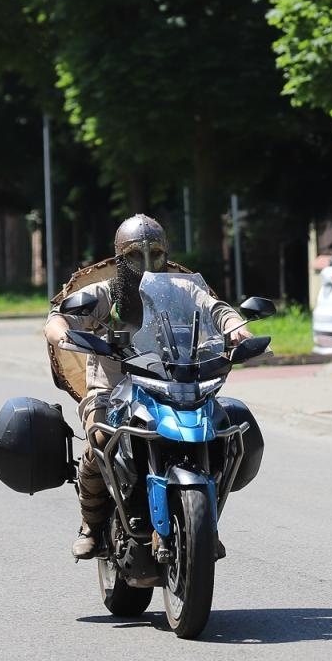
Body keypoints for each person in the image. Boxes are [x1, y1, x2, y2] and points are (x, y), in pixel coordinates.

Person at [43, 214, 254, 560]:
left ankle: (204, 525)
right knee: (98, 439)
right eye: (135, 255)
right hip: (113, 386)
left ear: (165, 253)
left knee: (221, 433)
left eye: (154, 253)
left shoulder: (184, 289)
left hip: (173, 381)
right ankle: (91, 525)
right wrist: (61, 332)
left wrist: (235, 328)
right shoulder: (105, 292)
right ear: (119, 257)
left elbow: (217, 309)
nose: (146, 262)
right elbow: (59, 316)